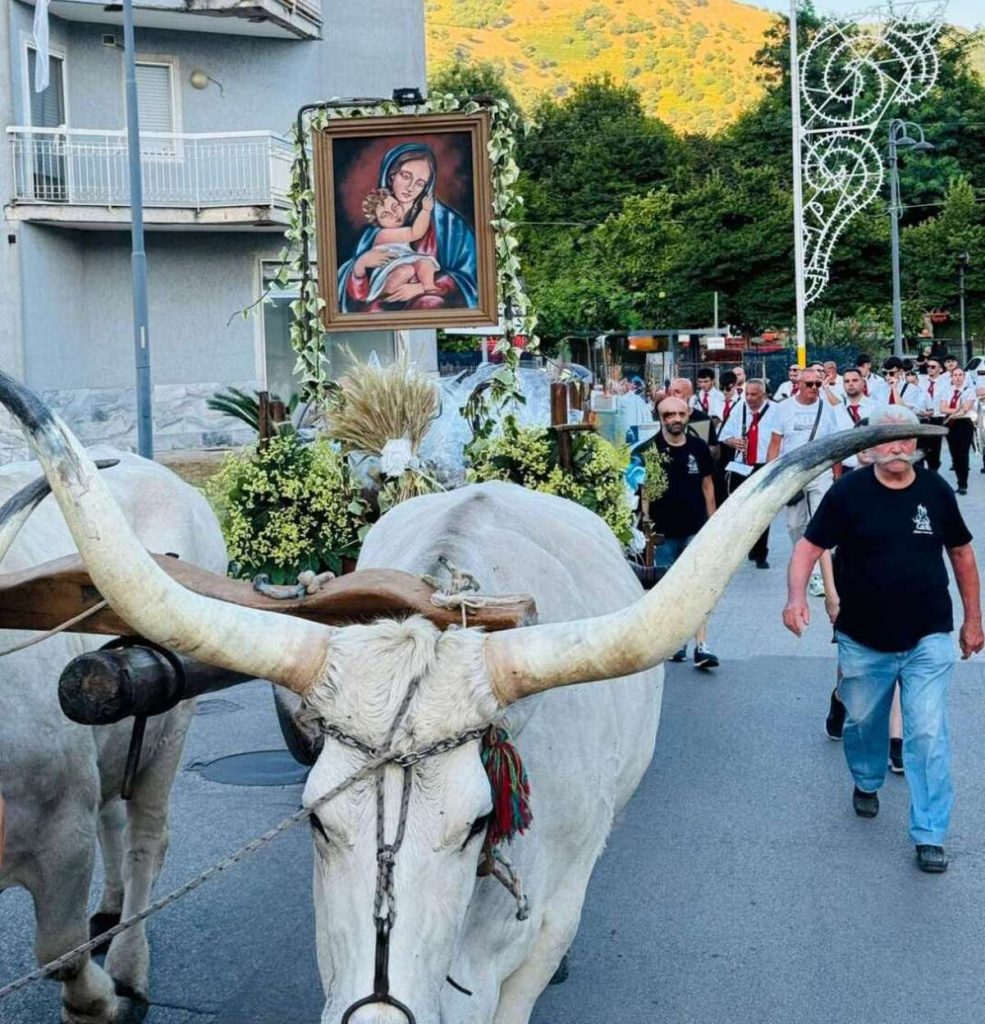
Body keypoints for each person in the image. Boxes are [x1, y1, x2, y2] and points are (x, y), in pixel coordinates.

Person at [783, 405, 983, 873]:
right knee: (862, 721)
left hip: (927, 634)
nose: (899, 447)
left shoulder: (934, 489)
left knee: (928, 732)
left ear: (917, 444)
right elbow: (808, 547)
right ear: (869, 446)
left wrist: (973, 620)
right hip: (863, 636)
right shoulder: (848, 493)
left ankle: (930, 832)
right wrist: (796, 598)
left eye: (907, 439)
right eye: (888, 439)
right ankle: (867, 778)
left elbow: (962, 554)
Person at [338, 142, 478, 313]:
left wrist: (419, 288)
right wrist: (360, 264)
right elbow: (355, 293)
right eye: (405, 176)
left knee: (429, 303)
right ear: (392, 176)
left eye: (420, 183)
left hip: (428, 300)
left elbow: (469, 278)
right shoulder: (374, 232)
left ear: (426, 187)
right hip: (385, 301)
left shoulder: (449, 225)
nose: (410, 188)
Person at [638, 397, 719, 669]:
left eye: (680, 414)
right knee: (669, 589)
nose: (675, 419)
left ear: (688, 415)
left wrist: (713, 522)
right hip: (663, 532)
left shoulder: (698, 447)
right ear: (660, 417)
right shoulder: (650, 449)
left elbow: (708, 485)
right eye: (669, 414)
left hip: (696, 528)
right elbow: (645, 488)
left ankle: (702, 645)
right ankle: (675, 642)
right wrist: (645, 521)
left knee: (698, 586)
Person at [766, 366, 842, 597]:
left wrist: (837, 477)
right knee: (795, 525)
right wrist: (773, 476)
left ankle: (821, 573)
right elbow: (775, 444)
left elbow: (834, 446)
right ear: (797, 384)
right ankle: (804, 560)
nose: (814, 388)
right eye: (809, 384)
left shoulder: (827, 409)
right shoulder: (783, 409)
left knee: (822, 520)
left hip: (820, 472)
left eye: (818, 384)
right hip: (793, 473)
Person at [719, 378, 775, 568]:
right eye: (747, 394)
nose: (749, 398)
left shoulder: (776, 411)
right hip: (741, 466)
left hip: (763, 465)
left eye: (754, 395)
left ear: (763, 394)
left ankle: (761, 553)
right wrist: (733, 442)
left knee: (762, 510)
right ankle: (746, 546)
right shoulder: (739, 408)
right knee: (741, 509)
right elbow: (723, 434)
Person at [358, 189, 440, 302]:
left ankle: (428, 287)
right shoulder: (383, 234)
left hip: (407, 260)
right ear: (377, 222)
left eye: (395, 207)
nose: (394, 214)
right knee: (406, 270)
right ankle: (389, 293)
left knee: (426, 263)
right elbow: (416, 233)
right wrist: (425, 210)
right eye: (385, 215)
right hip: (388, 272)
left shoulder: (398, 227)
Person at [939, 366, 975, 495]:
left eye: (960, 375)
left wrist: (956, 410)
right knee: (955, 454)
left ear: (964, 377)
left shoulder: (969, 391)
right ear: (952, 377)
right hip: (951, 423)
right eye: (955, 375)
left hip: (964, 423)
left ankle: (963, 484)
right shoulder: (946, 391)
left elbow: (966, 408)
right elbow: (942, 408)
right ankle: (959, 479)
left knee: (963, 454)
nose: (958, 377)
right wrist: (956, 410)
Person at [920, 357, 947, 471]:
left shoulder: (946, 383)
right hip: (923, 418)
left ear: (940, 369)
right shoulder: (921, 382)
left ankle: (933, 470)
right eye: (928, 367)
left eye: (933, 367)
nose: (930, 369)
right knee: (921, 447)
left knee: (935, 448)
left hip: (937, 418)